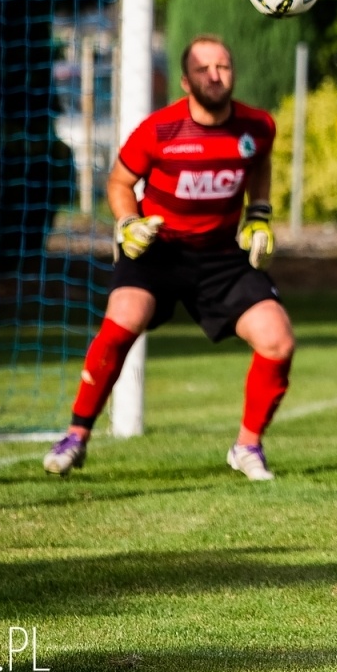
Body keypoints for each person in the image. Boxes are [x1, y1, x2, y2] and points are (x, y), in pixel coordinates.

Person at [43, 36, 292, 481]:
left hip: (219, 255)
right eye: (204, 69)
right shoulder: (159, 130)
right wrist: (127, 224)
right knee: (122, 321)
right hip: (158, 251)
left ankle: (247, 447)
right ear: (185, 80)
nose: (215, 75)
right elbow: (119, 184)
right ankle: (76, 436)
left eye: (223, 66)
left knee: (278, 340)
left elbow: (260, 165)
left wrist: (258, 215)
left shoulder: (257, 127)